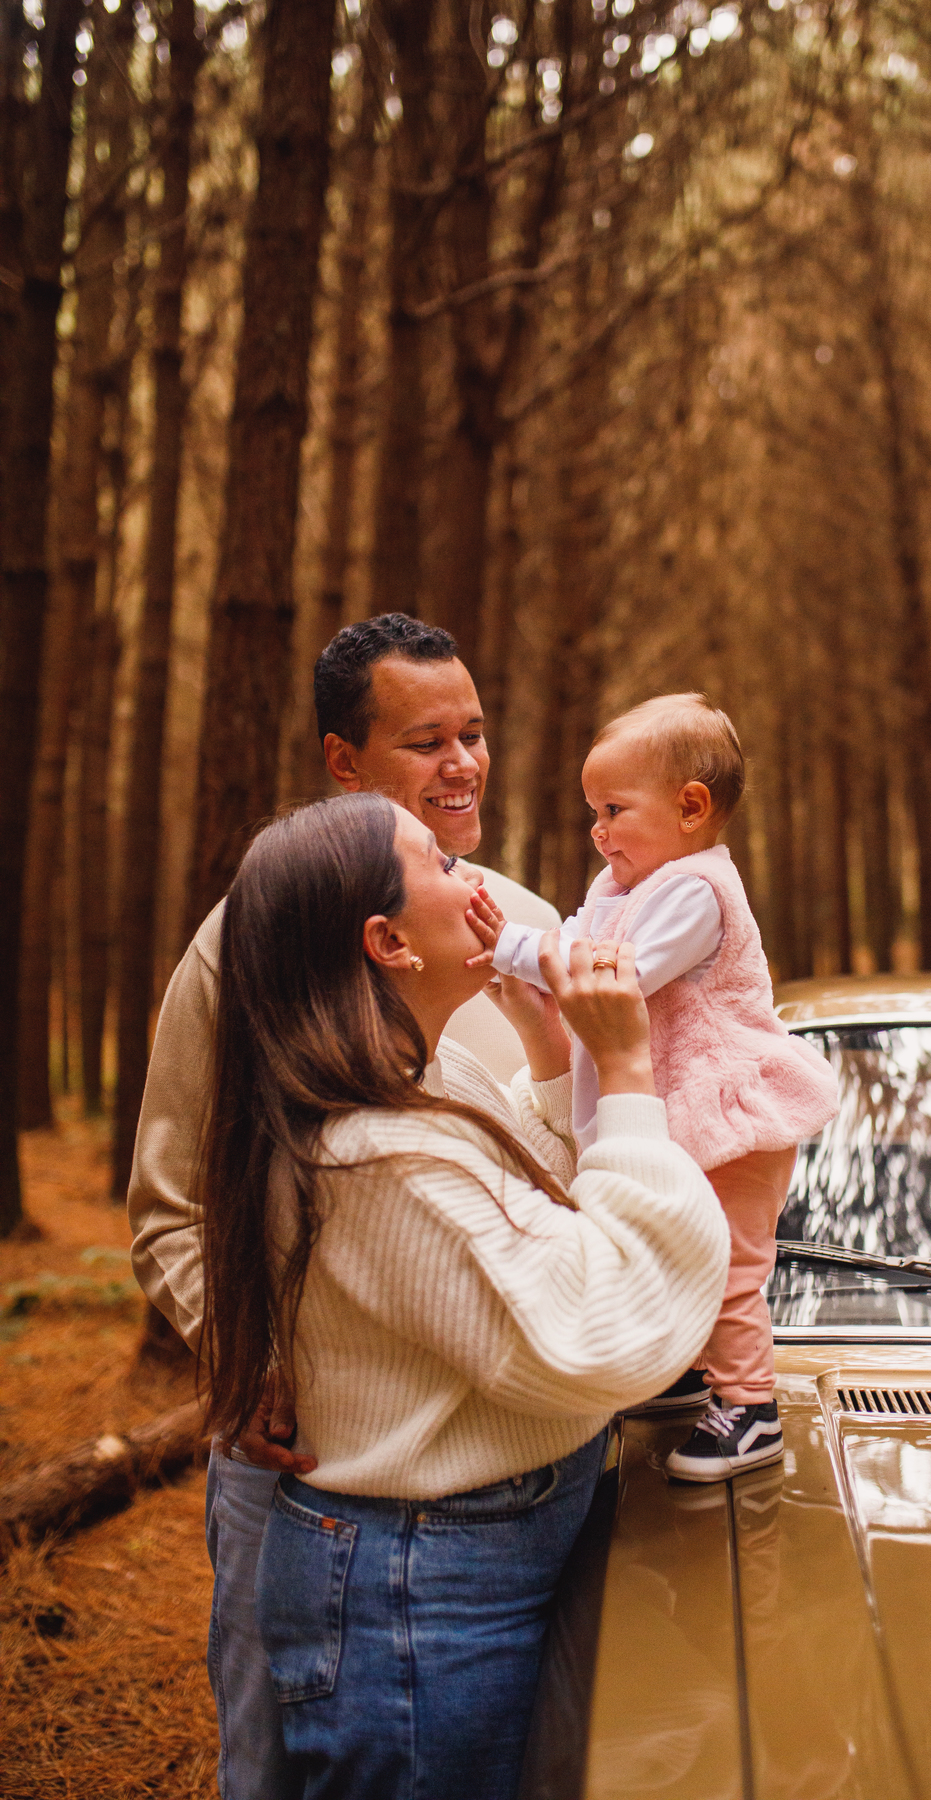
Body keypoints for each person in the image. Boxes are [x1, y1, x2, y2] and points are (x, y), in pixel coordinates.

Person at [200, 792, 731, 1800]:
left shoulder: (422, 1077)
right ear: (389, 942)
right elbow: (601, 1323)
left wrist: (549, 1050)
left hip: (456, 1561)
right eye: (442, 866)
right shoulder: (378, 1153)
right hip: (423, 1594)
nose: (474, 880)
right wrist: (624, 1069)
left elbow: (533, 1220)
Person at [127, 614, 558, 1800]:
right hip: (303, 1462)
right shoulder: (247, 944)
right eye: (427, 741)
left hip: (497, 1491)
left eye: (473, 733)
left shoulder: (529, 926)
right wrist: (248, 1356)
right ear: (343, 760)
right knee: (270, 1756)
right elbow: (168, 1204)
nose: (464, 764)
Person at [482, 693, 839, 1481]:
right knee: (679, 1249)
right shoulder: (623, 890)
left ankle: (750, 1408)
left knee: (731, 1266)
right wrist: (528, 961)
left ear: (690, 808)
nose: (597, 829)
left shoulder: (696, 891)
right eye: (593, 812)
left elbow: (613, 974)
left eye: (613, 809)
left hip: (730, 1115)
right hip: (680, 1118)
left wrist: (509, 944)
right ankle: (686, 1369)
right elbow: (574, 943)